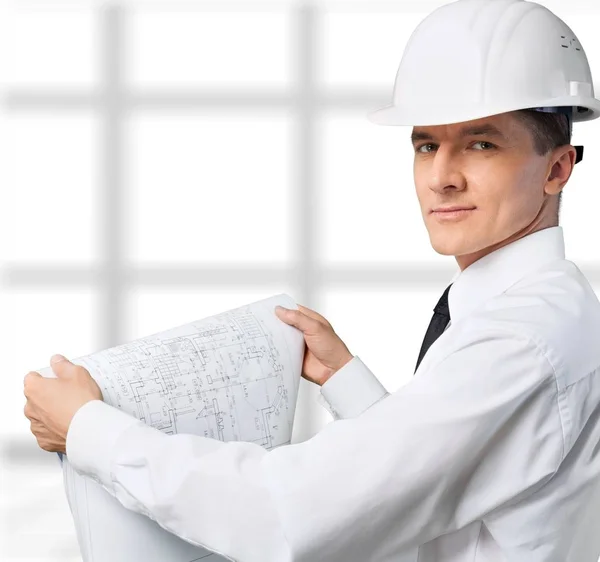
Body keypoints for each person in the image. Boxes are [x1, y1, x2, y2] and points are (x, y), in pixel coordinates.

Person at [23, 0, 600, 560]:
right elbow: (443, 487)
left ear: (556, 168)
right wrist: (344, 379)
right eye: (426, 145)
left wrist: (88, 431)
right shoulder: (535, 310)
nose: (441, 177)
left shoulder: (521, 343)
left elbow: (291, 517)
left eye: (480, 143)